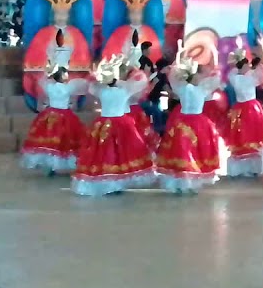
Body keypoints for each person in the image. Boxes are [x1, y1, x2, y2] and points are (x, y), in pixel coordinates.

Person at [72, 55, 156, 196]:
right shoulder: (124, 90)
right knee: (119, 152)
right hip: (121, 123)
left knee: (103, 152)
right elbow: (141, 82)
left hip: (103, 123)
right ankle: (117, 181)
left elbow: (91, 86)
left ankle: (109, 181)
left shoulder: (101, 90)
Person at [156, 54, 223, 193]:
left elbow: (174, 77)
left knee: (185, 152)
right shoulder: (199, 89)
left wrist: (177, 64)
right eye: (199, 75)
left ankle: (184, 182)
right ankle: (187, 182)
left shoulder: (184, 88)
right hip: (195, 123)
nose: (201, 77)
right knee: (189, 152)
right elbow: (216, 77)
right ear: (193, 76)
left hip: (185, 122)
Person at [20, 55, 88, 175]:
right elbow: (74, 104)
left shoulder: (48, 86)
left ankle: (51, 166)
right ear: (63, 76)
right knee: (65, 140)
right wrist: (71, 105)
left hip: (49, 114)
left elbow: (41, 101)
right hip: (65, 115)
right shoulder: (69, 87)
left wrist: (42, 109)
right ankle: (64, 164)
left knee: (49, 141)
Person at [224, 53, 263, 177]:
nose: (248, 67)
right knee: (247, 136)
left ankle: (243, 168)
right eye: (246, 65)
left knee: (244, 136)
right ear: (242, 66)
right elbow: (260, 75)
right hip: (250, 109)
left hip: (241, 108)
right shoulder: (249, 77)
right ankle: (249, 168)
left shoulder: (234, 76)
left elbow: (233, 70)